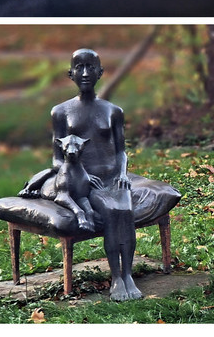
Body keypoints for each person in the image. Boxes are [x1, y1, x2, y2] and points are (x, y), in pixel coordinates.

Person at [17, 49, 160, 299]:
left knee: (124, 210)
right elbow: (57, 157)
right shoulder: (60, 112)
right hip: (83, 181)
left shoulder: (113, 111)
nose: (85, 73)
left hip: (113, 178)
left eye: (91, 67)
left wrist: (123, 174)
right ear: (70, 74)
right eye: (79, 67)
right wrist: (78, 174)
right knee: (111, 210)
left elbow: (121, 152)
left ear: (101, 72)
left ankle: (128, 275)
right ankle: (116, 277)